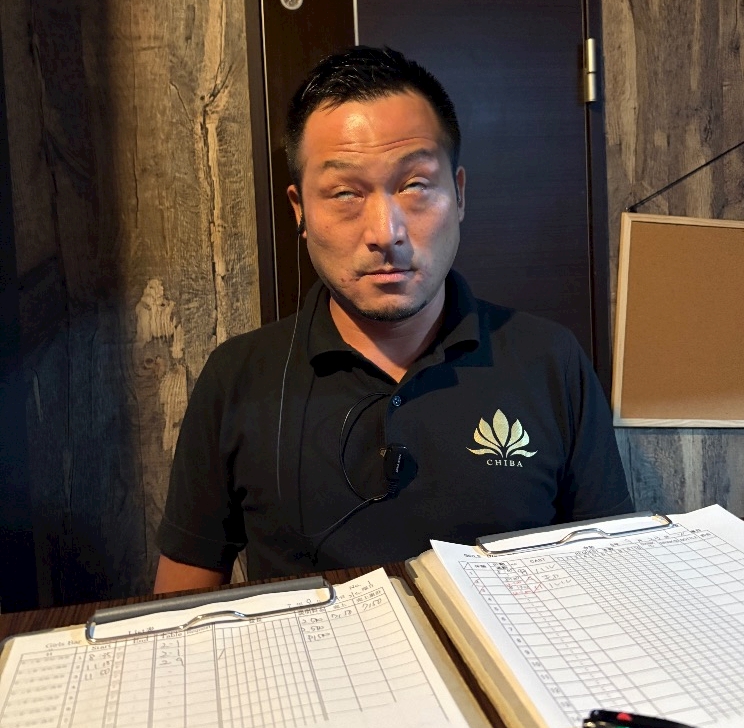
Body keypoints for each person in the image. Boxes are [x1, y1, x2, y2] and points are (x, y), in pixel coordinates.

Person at [154, 46, 632, 593]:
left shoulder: (550, 360)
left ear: (459, 194)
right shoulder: (237, 377)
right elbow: (181, 604)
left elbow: (611, 574)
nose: (386, 232)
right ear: (299, 210)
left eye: (415, 185)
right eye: (344, 192)